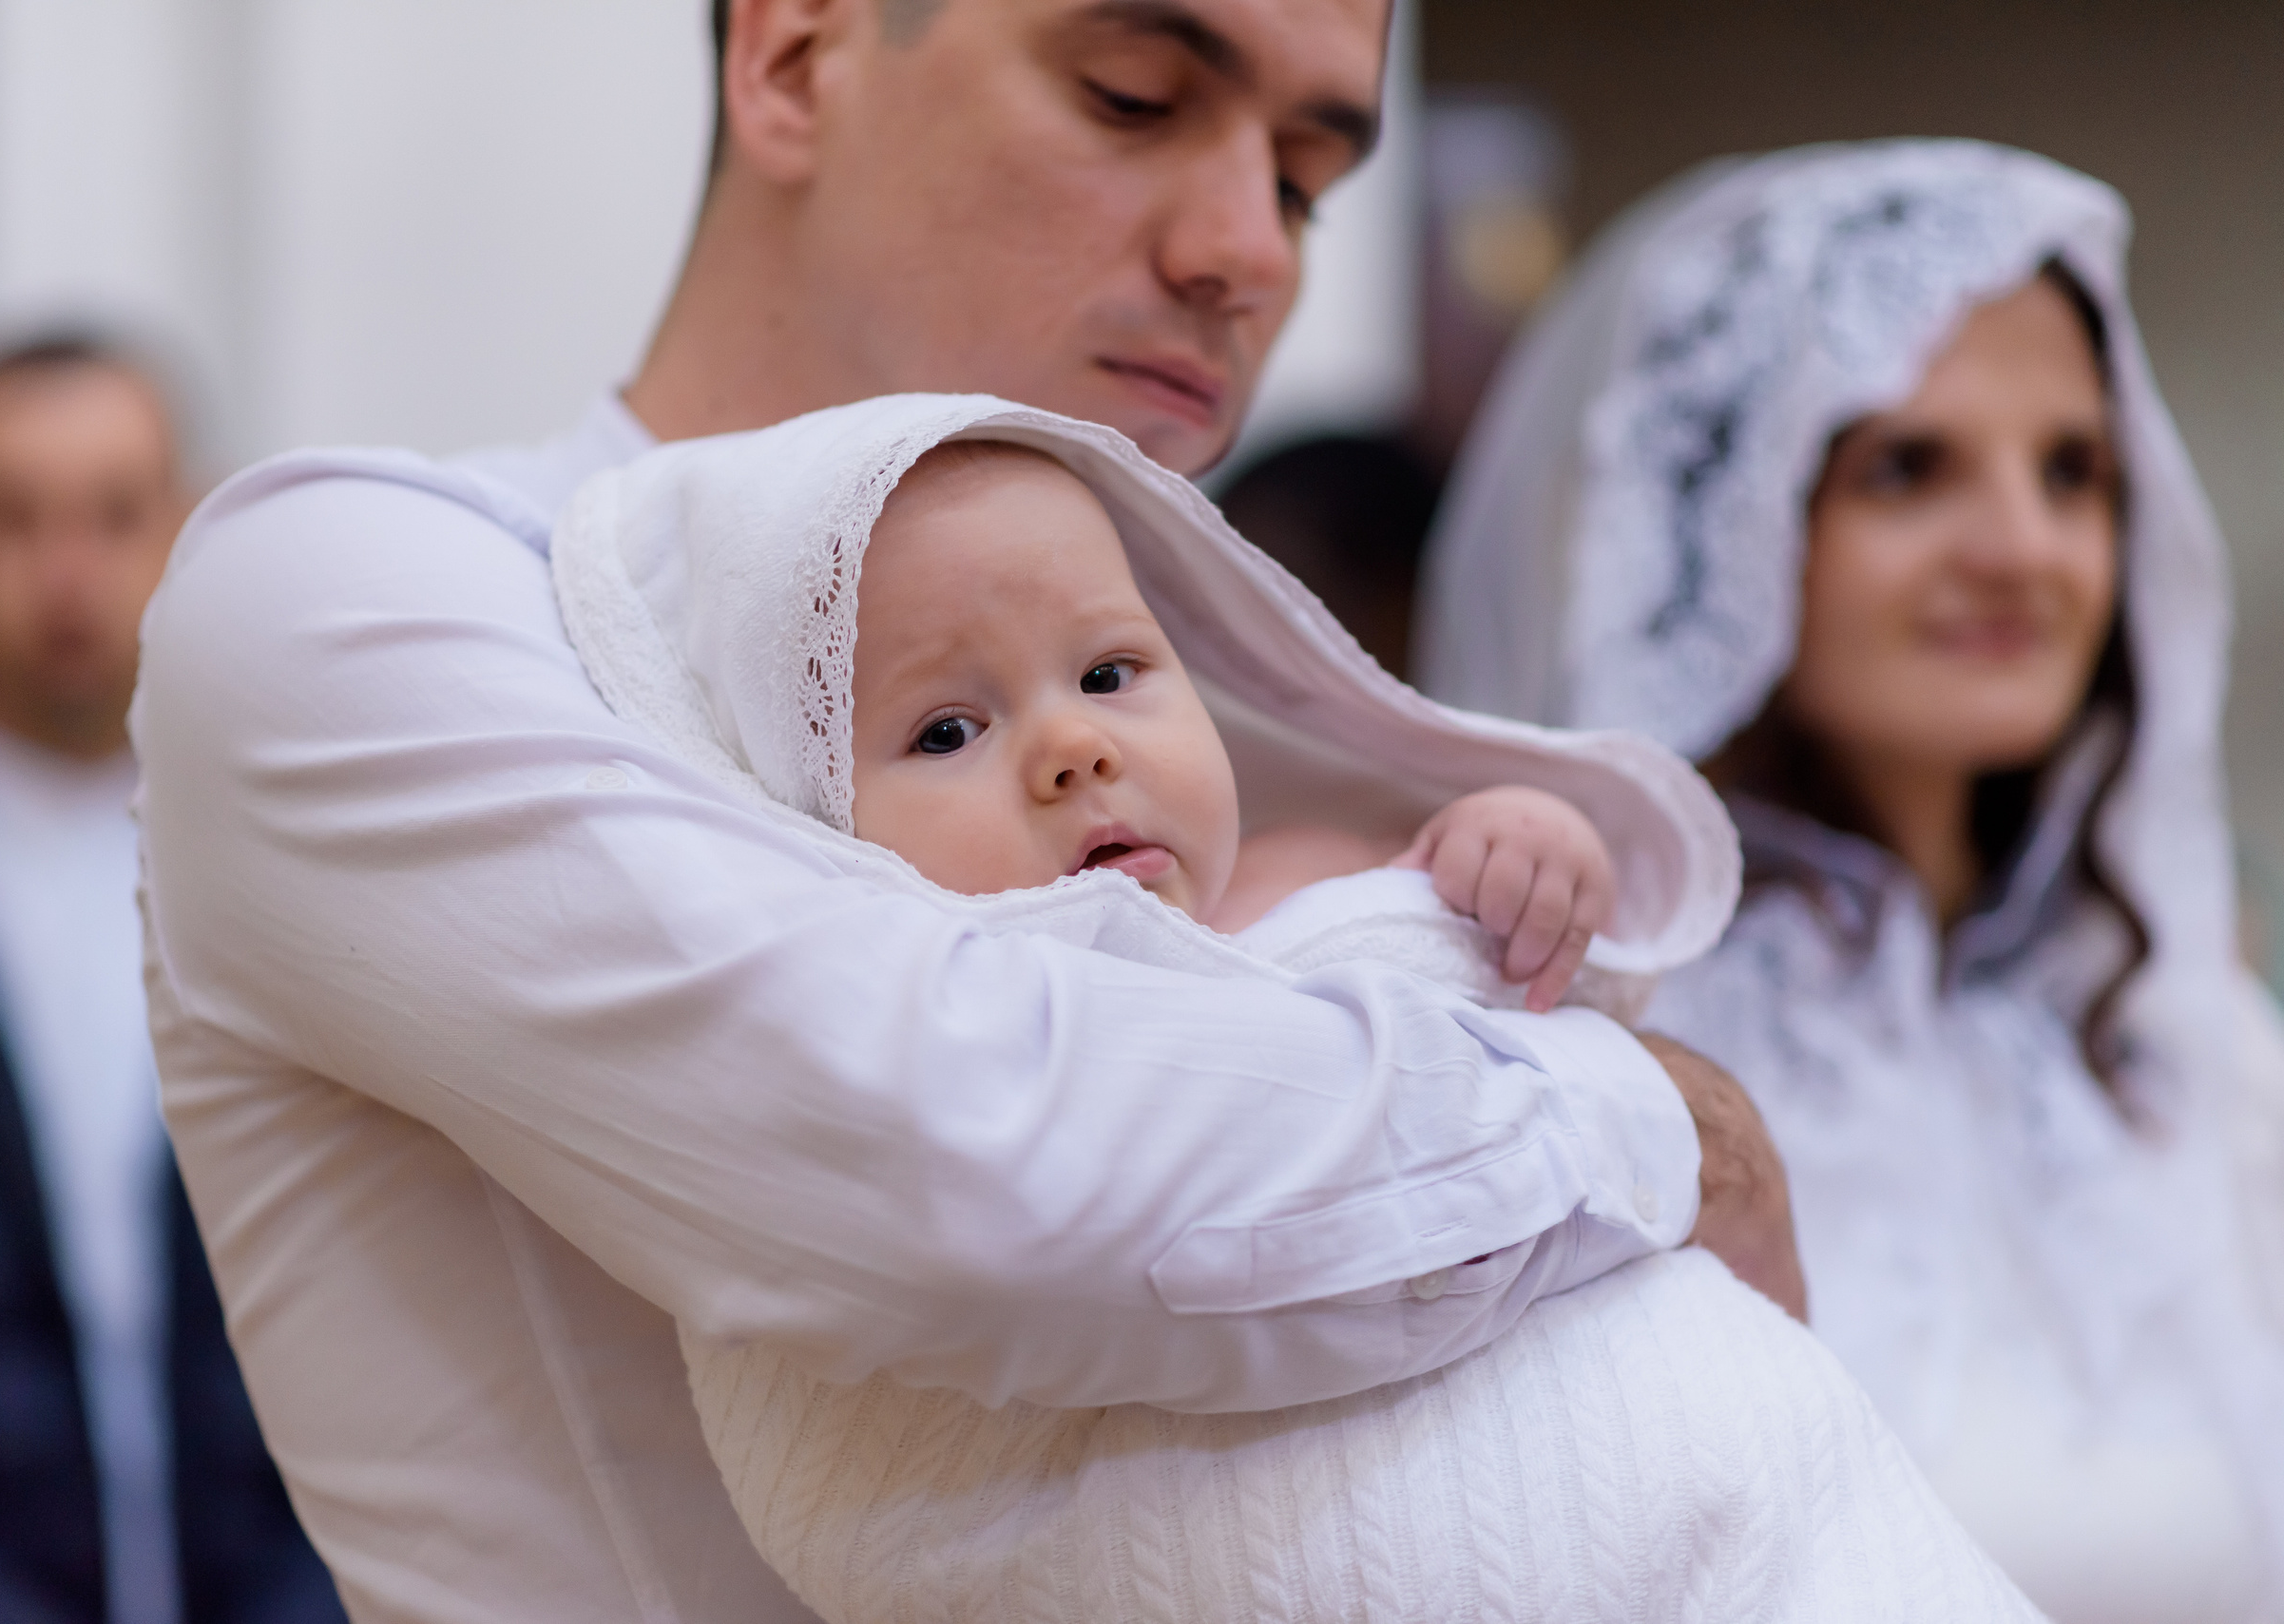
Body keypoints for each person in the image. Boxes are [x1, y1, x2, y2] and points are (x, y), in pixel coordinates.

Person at [130, 2, 1799, 1617]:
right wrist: (1655, 1122)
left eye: (1302, 176)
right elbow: (969, 1160)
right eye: (1135, 95)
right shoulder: (360, 599)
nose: (1253, 251)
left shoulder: (1204, 724)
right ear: (795, 55)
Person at [550, 390, 2043, 1623]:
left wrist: (1521, 850)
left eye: (1112, 668)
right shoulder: (888, 1041)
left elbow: (1539, 983)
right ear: (808, 822)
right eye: (948, 725)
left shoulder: (1310, 870)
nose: (1072, 744)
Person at [1415, 139, 2284, 1621]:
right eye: (1908, 467)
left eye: (2073, 471)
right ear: (1724, 530)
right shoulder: (1589, 1032)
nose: (2025, 547)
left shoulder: (2162, 1031)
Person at [0, 334, 342, 1623]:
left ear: (188, 521)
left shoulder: (321, 848)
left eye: (115, 513)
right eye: (15, 516)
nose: (67, 572)